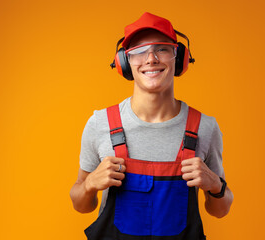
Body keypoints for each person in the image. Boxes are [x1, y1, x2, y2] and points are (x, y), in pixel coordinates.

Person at [70, 12, 233, 240]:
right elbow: (81, 205)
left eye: (162, 48)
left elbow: (220, 210)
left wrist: (215, 185)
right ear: (124, 62)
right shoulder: (100, 124)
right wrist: (89, 185)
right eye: (137, 51)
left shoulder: (204, 127)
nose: (150, 59)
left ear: (179, 57)